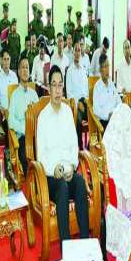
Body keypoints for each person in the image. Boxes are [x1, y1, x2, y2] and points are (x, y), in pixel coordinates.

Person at [36, 67, 90, 245]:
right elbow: (41, 155)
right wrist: (54, 170)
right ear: (48, 88)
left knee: (80, 183)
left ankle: (85, 242)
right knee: (62, 188)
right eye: (54, 85)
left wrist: (71, 167)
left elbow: (74, 146)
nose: (58, 90)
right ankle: (66, 247)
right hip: (51, 177)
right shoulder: (43, 117)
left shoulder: (68, 112)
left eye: (60, 85)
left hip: (68, 171)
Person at [8, 56, 39, 174]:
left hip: (36, 136)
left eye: (27, 67)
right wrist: (25, 129)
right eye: (22, 67)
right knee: (28, 161)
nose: (25, 70)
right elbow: (11, 120)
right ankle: (31, 183)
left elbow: (39, 116)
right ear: (18, 72)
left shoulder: (34, 94)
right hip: (23, 137)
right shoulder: (14, 95)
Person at [65, 42, 89, 149]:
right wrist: (78, 103)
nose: (77, 53)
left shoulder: (84, 70)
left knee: (94, 115)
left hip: (84, 102)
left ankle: (90, 145)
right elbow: (69, 94)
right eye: (76, 50)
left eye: (79, 50)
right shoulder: (70, 71)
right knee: (78, 119)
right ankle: (79, 147)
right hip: (74, 104)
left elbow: (86, 91)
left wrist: (85, 102)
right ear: (73, 53)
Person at [0, 49, 18, 135]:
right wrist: (0, 108)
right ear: (1, 61)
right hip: (6, 114)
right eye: (4, 59)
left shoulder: (14, 76)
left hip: (17, 111)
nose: (6, 62)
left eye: (8, 59)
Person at [92, 54, 122, 130]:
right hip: (105, 122)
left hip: (116, 118)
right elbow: (96, 110)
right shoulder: (97, 87)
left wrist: (116, 112)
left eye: (108, 66)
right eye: (105, 66)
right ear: (100, 70)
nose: (107, 69)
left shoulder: (111, 84)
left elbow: (119, 102)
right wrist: (108, 115)